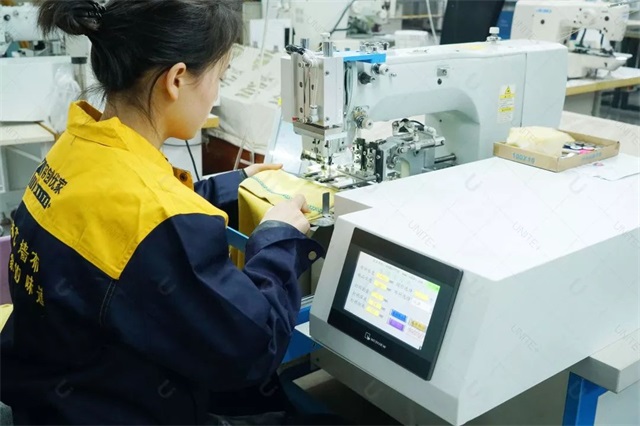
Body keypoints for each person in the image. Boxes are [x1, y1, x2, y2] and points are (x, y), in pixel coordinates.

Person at [0, 0, 330, 424]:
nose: (216, 93)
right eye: (219, 78)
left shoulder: (75, 147)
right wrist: (278, 238)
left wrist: (233, 184)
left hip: (51, 401)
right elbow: (254, 347)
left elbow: (126, 211)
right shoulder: (155, 217)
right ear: (176, 79)